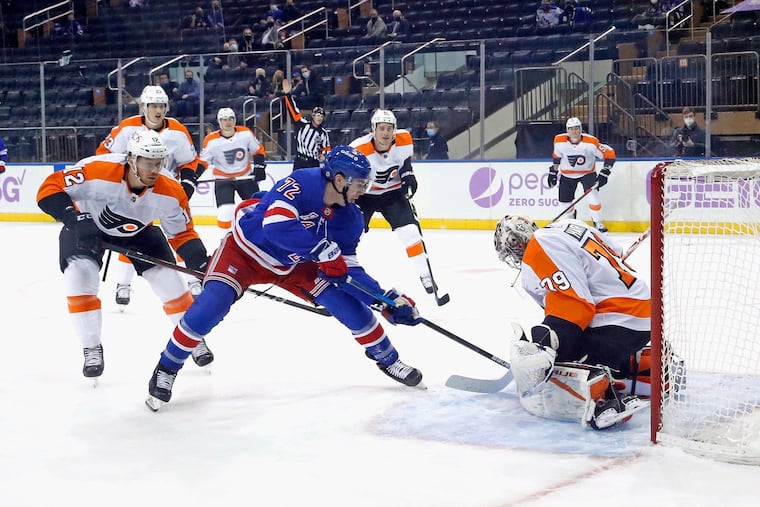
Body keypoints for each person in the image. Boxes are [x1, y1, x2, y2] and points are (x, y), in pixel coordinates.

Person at [144, 146, 424, 410]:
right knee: (211, 305)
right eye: (361, 184)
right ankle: (167, 367)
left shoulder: (351, 218)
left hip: (295, 264)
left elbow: (348, 270)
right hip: (245, 252)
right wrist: (320, 251)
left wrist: (385, 300)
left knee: (347, 304)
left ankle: (389, 359)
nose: (364, 190)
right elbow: (275, 226)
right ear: (340, 179)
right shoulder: (304, 182)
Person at [36, 132, 212, 381]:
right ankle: (91, 346)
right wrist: (73, 218)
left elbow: (183, 233)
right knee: (78, 277)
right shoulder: (97, 170)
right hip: (88, 228)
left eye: (159, 162)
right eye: (148, 162)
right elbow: (49, 188)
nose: (154, 169)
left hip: (140, 233)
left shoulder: (172, 190)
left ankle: (193, 339)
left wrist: (200, 261)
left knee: (171, 284)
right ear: (131, 159)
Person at [494, 215, 651, 430]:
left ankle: (600, 397)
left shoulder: (537, 249)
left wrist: (551, 345)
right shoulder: (571, 224)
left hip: (618, 321)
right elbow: (617, 252)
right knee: (570, 342)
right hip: (645, 311)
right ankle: (644, 370)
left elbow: (577, 306)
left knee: (561, 364)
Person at [96, 85, 207, 309]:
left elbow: (190, 161)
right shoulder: (127, 128)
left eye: (162, 106)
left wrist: (187, 181)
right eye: (153, 105)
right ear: (143, 107)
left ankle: (193, 277)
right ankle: (123, 284)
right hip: (133, 191)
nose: (158, 110)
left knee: (181, 232)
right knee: (132, 232)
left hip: (166, 192)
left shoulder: (177, 130)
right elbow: (103, 155)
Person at [350, 110, 447, 300]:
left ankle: (426, 276)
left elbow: (405, 164)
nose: (385, 133)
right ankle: (340, 275)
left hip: (392, 194)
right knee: (350, 233)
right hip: (364, 196)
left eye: (389, 128)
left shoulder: (403, 140)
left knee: (411, 233)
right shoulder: (359, 147)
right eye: (382, 128)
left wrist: (408, 175)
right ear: (373, 129)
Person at [199, 107, 267, 230]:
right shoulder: (211, 140)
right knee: (225, 213)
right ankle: (225, 239)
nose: (228, 122)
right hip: (223, 180)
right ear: (219, 122)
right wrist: (193, 176)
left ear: (235, 120)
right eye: (224, 120)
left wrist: (259, 167)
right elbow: (203, 162)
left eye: (231, 119)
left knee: (257, 209)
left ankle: (258, 237)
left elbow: (258, 150)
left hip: (245, 177)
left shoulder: (245, 133)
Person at [548, 117, 616, 233]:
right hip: (567, 175)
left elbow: (609, 153)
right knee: (564, 202)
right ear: (567, 131)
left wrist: (605, 172)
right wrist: (553, 172)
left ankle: (597, 222)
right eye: (571, 129)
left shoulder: (591, 142)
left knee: (594, 197)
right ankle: (571, 221)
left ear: (580, 129)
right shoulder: (559, 141)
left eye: (576, 128)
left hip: (587, 174)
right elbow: (556, 157)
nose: (574, 131)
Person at [281, 78, 331, 170]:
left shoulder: (323, 133)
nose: (319, 118)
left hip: (313, 163)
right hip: (300, 161)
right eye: (317, 115)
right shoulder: (302, 124)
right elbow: (293, 111)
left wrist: (324, 156)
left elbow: (326, 149)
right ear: (313, 116)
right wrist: (287, 95)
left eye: (321, 116)